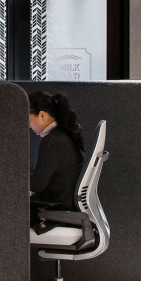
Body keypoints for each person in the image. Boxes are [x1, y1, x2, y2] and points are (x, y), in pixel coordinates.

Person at [28, 91, 85, 230]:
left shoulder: (52, 141)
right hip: (63, 211)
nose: (29, 126)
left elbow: (37, 185)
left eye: (29, 119)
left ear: (42, 115)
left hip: (53, 216)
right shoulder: (63, 137)